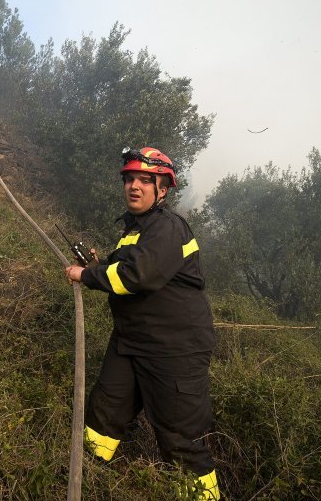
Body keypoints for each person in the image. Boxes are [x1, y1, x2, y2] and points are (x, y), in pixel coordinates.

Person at [65, 146, 220, 500]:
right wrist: (97, 266)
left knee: (180, 439)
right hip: (130, 341)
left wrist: (86, 276)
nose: (134, 186)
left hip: (174, 350)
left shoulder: (168, 227)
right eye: (130, 179)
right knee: (103, 414)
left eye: (145, 181)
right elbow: (124, 268)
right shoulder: (136, 229)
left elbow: (138, 276)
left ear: (162, 190)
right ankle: (88, 475)